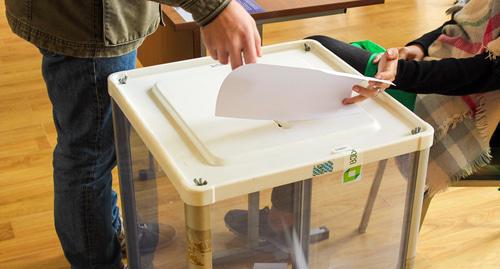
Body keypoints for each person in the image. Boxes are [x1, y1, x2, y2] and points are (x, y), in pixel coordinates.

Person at [5, 0, 261, 268]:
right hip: (91, 21)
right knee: (89, 158)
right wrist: (213, 8)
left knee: (95, 146)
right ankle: (98, 260)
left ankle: (104, 231)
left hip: (87, 17)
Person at [224, 0, 499, 248]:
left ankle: (282, 219)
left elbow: (486, 72)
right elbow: (461, 22)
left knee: (321, 65)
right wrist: (420, 45)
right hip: (452, 71)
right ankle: (284, 217)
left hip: (482, 112)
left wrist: (400, 73)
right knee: (322, 65)